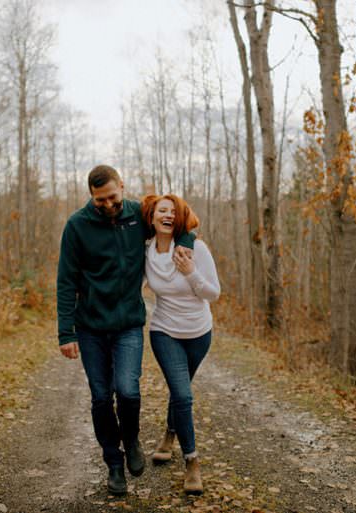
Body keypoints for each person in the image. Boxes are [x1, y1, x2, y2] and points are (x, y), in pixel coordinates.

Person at [56, 165, 194, 496]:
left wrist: (185, 241)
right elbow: (66, 281)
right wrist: (66, 332)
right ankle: (114, 464)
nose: (107, 205)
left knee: (128, 391)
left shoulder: (138, 214)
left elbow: (178, 220)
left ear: (122, 186)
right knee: (101, 398)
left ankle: (130, 438)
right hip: (90, 327)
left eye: (112, 198)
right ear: (91, 196)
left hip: (129, 324)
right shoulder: (77, 225)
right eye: (99, 200)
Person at [140, 194, 220, 495]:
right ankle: (192, 462)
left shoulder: (196, 249)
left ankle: (170, 434)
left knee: (180, 389)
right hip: (164, 332)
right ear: (152, 217)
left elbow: (213, 293)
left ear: (180, 218)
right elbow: (133, 286)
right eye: (162, 210)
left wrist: (191, 273)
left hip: (199, 333)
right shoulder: (145, 253)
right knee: (183, 395)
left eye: (174, 211)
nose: (168, 215)